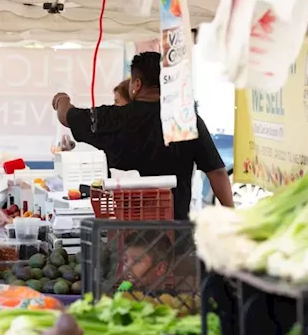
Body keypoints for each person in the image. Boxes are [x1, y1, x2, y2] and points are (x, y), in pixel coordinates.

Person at [52, 51, 234, 220]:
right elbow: (217, 172)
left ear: (137, 84)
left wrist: (61, 99)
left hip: (125, 229)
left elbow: (66, 115)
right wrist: (232, 218)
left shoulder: (113, 117)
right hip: (175, 231)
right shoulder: (185, 122)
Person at [52, 79, 131, 153]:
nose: (114, 106)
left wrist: (60, 99)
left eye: (117, 101)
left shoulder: (116, 126)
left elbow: (68, 116)